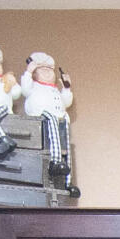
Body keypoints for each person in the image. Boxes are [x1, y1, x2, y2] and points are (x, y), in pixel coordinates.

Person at [20, 52, 76, 191]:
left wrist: (67, 88)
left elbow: (66, 102)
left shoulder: (55, 90)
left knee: (66, 150)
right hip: (43, 122)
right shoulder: (34, 86)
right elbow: (25, 89)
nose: (47, 73)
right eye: (42, 69)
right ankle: (54, 162)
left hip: (60, 123)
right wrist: (28, 72)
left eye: (50, 70)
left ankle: (67, 183)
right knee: (50, 119)